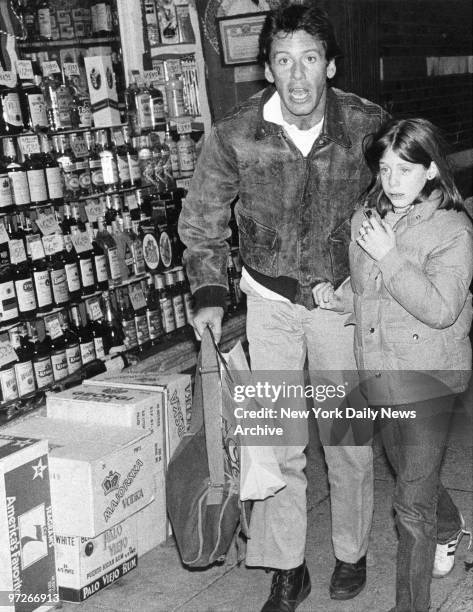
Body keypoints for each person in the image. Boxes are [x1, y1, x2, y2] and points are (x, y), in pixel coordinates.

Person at [178, 2, 387, 610]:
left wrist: (369, 283)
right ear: (267, 68)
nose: (297, 77)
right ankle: (285, 565)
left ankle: (351, 551)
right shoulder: (235, 134)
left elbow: (395, 202)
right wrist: (211, 293)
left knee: (347, 439)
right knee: (277, 440)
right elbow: (203, 222)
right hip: (268, 304)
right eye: (283, 61)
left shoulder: (365, 126)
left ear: (331, 66)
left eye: (310, 60)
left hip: (337, 307)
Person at [313, 117, 473, 612]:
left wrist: (388, 256)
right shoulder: (369, 216)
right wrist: (339, 298)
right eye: (384, 169)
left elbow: (442, 309)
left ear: (430, 172)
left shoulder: (454, 229)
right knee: (410, 476)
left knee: (409, 506)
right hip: (378, 372)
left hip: (430, 377)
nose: (392, 181)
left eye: (405, 170)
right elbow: (367, 289)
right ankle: (451, 528)